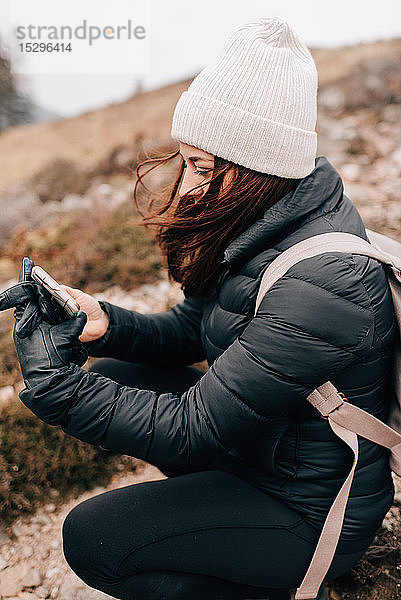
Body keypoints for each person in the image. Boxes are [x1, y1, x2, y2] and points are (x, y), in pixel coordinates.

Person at [0, 17, 395, 600]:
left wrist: (56, 387)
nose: (185, 185)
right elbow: (196, 328)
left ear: (263, 168)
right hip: (259, 451)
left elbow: (195, 428)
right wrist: (103, 322)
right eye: (186, 162)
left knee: (93, 538)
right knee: (111, 371)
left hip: (308, 510)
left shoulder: (324, 282)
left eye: (204, 169)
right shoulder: (262, 219)